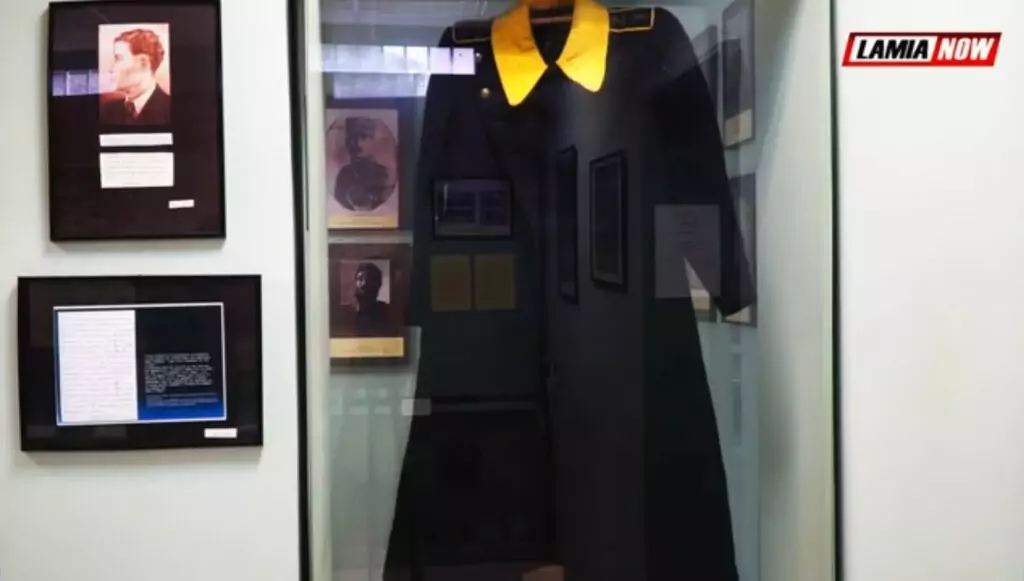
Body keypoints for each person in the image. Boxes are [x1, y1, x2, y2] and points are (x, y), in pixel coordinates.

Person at [100, 28, 170, 125]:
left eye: (118, 58)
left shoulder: (169, 109)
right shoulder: (108, 110)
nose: (111, 68)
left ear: (143, 63)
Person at [336, 262, 396, 337]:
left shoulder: (388, 313)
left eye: (370, 280)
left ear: (379, 284)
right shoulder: (343, 314)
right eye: (360, 279)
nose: (364, 283)